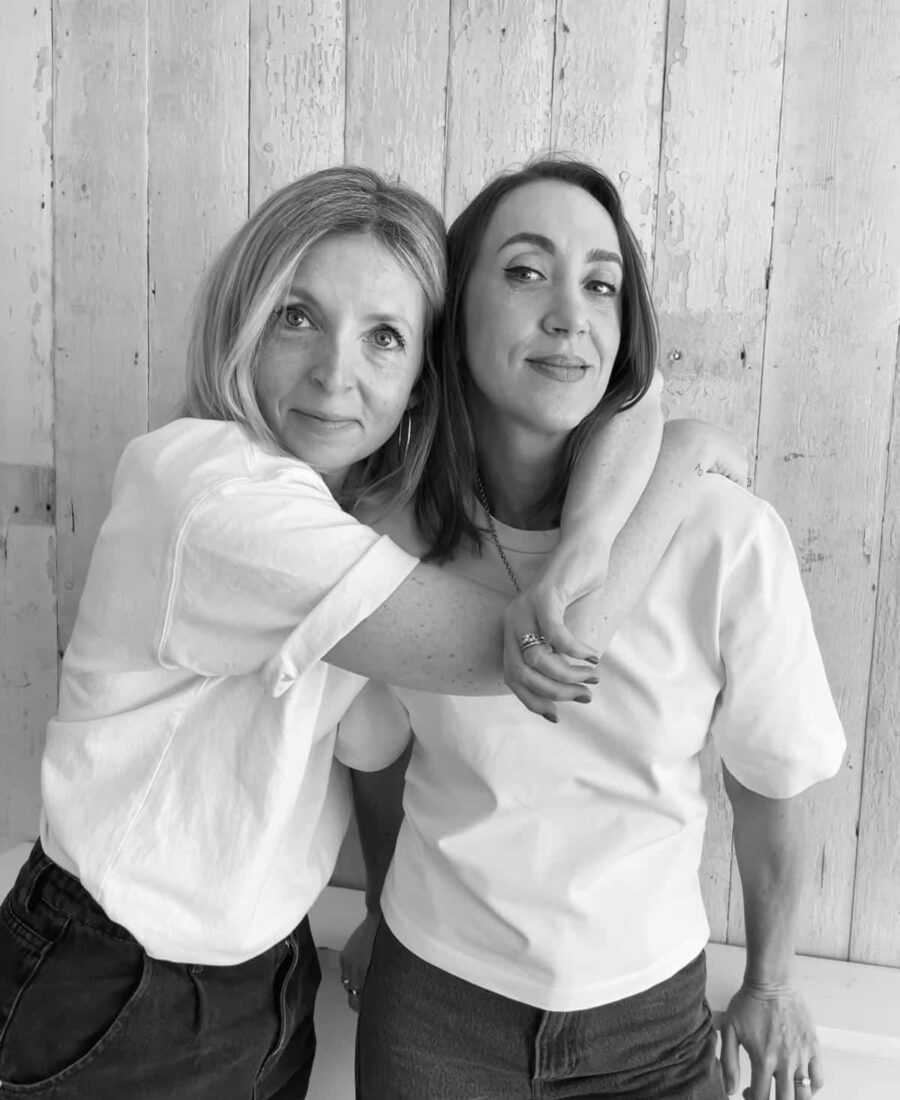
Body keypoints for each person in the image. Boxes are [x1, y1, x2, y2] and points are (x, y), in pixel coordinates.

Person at [0, 165, 740, 1098]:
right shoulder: (212, 493)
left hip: (265, 977)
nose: (335, 373)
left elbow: (635, 390)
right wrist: (681, 460)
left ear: (421, 380)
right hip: (116, 979)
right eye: (296, 317)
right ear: (241, 317)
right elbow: (549, 646)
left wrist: (613, 489)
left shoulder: (365, 517)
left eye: (384, 337)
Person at [338, 157, 847, 1100]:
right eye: (526, 272)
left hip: (651, 1020)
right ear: (453, 321)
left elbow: (773, 773)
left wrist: (773, 979)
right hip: (433, 1005)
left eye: (602, 285)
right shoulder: (389, 532)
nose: (570, 313)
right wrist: (374, 906)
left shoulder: (723, 534)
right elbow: (374, 752)